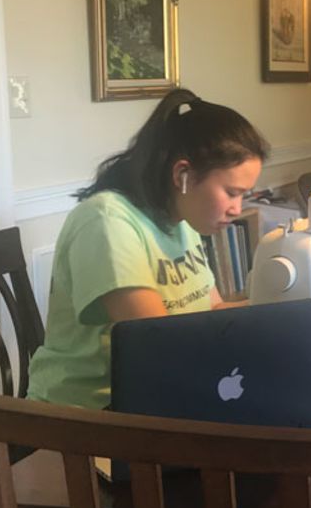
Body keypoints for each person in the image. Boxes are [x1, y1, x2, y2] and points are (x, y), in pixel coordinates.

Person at [28, 87, 268, 409]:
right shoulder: (107, 222)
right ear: (183, 174)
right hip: (86, 416)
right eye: (231, 192)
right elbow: (159, 345)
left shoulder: (180, 219)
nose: (237, 208)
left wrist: (295, 308)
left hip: (150, 396)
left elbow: (211, 313)